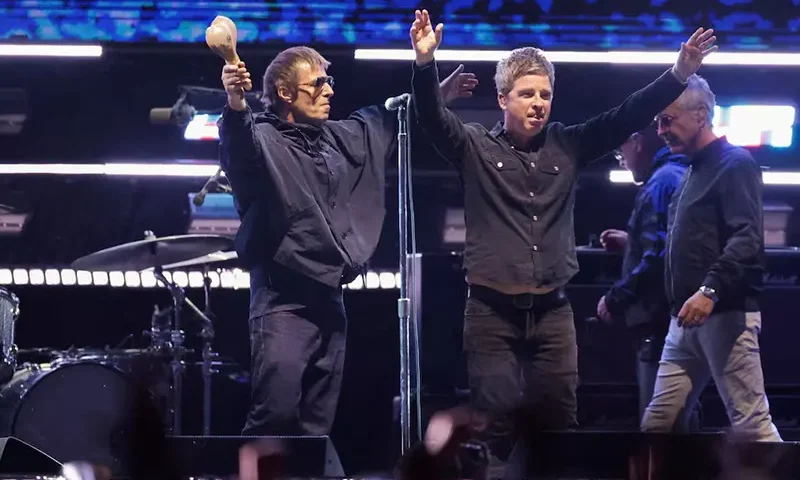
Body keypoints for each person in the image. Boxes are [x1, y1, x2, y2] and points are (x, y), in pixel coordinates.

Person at [408, 8, 717, 463]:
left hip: (553, 315)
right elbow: (432, 118)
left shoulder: (569, 144)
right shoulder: (473, 145)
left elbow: (623, 115)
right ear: (502, 99)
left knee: (559, 430)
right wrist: (424, 65)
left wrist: (678, 74)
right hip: (491, 316)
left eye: (546, 95)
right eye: (527, 93)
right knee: (494, 430)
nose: (538, 103)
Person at [218, 45, 475, 436]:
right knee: (275, 414)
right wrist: (236, 102)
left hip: (331, 298)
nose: (329, 91)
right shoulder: (264, 140)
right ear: (286, 94)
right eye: (317, 83)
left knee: (317, 422)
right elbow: (239, 145)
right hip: (282, 300)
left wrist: (434, 92)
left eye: (329, 81)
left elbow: (389, 119)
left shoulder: (339, 138)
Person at [640, 75, 782, 442]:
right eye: (658, 122)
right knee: (657, 427)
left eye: (668, 120)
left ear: (701, 115)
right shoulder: (693, 168)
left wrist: (709, 289)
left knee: (752, 428)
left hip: (724, 314)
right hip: (684, 319)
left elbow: (746, 237)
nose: (660, 131)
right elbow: (695, 239)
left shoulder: (734, 164)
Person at [596, 124, 698, 427]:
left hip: (657, 323)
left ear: (637, 142)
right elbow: (677, 245)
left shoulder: (660, 182)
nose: (622, 159)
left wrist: (615, 299)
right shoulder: (685, 174)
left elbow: (658, 259)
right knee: (682, 416)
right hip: (679, 320)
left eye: (620, 150)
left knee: (658, 426)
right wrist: (633, 244)